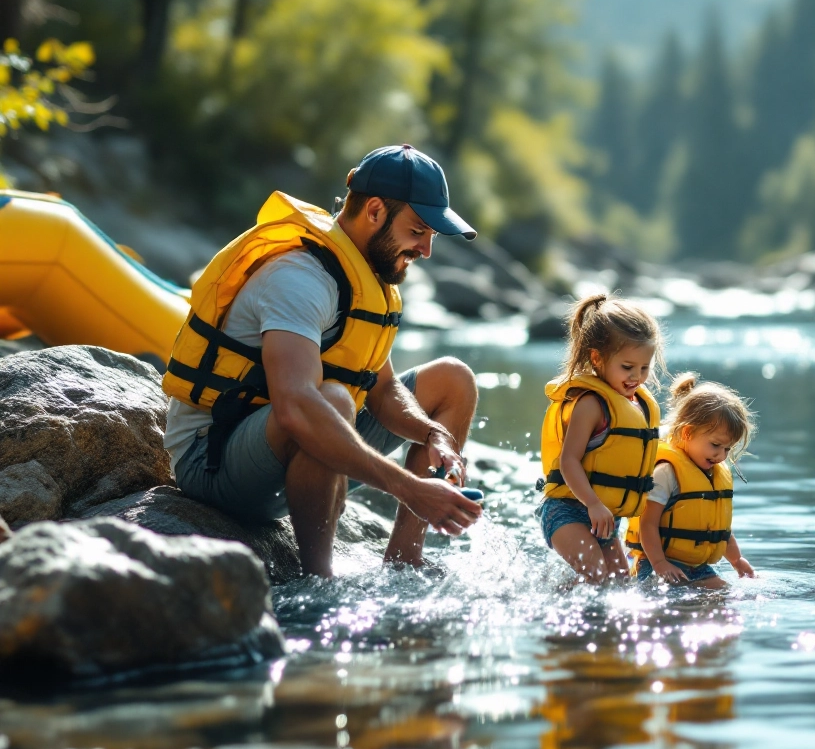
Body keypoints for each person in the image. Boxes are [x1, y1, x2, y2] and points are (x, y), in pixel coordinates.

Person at [162, 144, 483, 577]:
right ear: (374, 211)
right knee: (330, 401)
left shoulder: (367, 275)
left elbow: (383, 390)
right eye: (418, 230)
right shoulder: (300, 278)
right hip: (214, 460)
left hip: (290, 451)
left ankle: (404, 563)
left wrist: (433, 434)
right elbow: (296, 408)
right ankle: (318, 580)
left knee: (453, 379)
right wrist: (408, 487)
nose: (426, 249)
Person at [537, 293, 662, 583]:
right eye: (627, 367)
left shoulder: (637, 406)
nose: (637, 377)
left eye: (645, 368)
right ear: (597, 358)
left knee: (620, 583)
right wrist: (593, 503)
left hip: (605, 519)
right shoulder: (591, 404)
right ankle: (553, 619)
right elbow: (569, 461)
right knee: (596, 576)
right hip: (567, 510)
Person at [625, 373, 755, 590]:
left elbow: (721, 530)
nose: (721, 456)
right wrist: (660, 563)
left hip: (697, 567)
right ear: (687, 433)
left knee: (723, 596)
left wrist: (736, 561)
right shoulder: (666, 472)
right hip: (654, 563)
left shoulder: (713, 474)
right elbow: (648, 523)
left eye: (727, 449)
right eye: (715, 445)